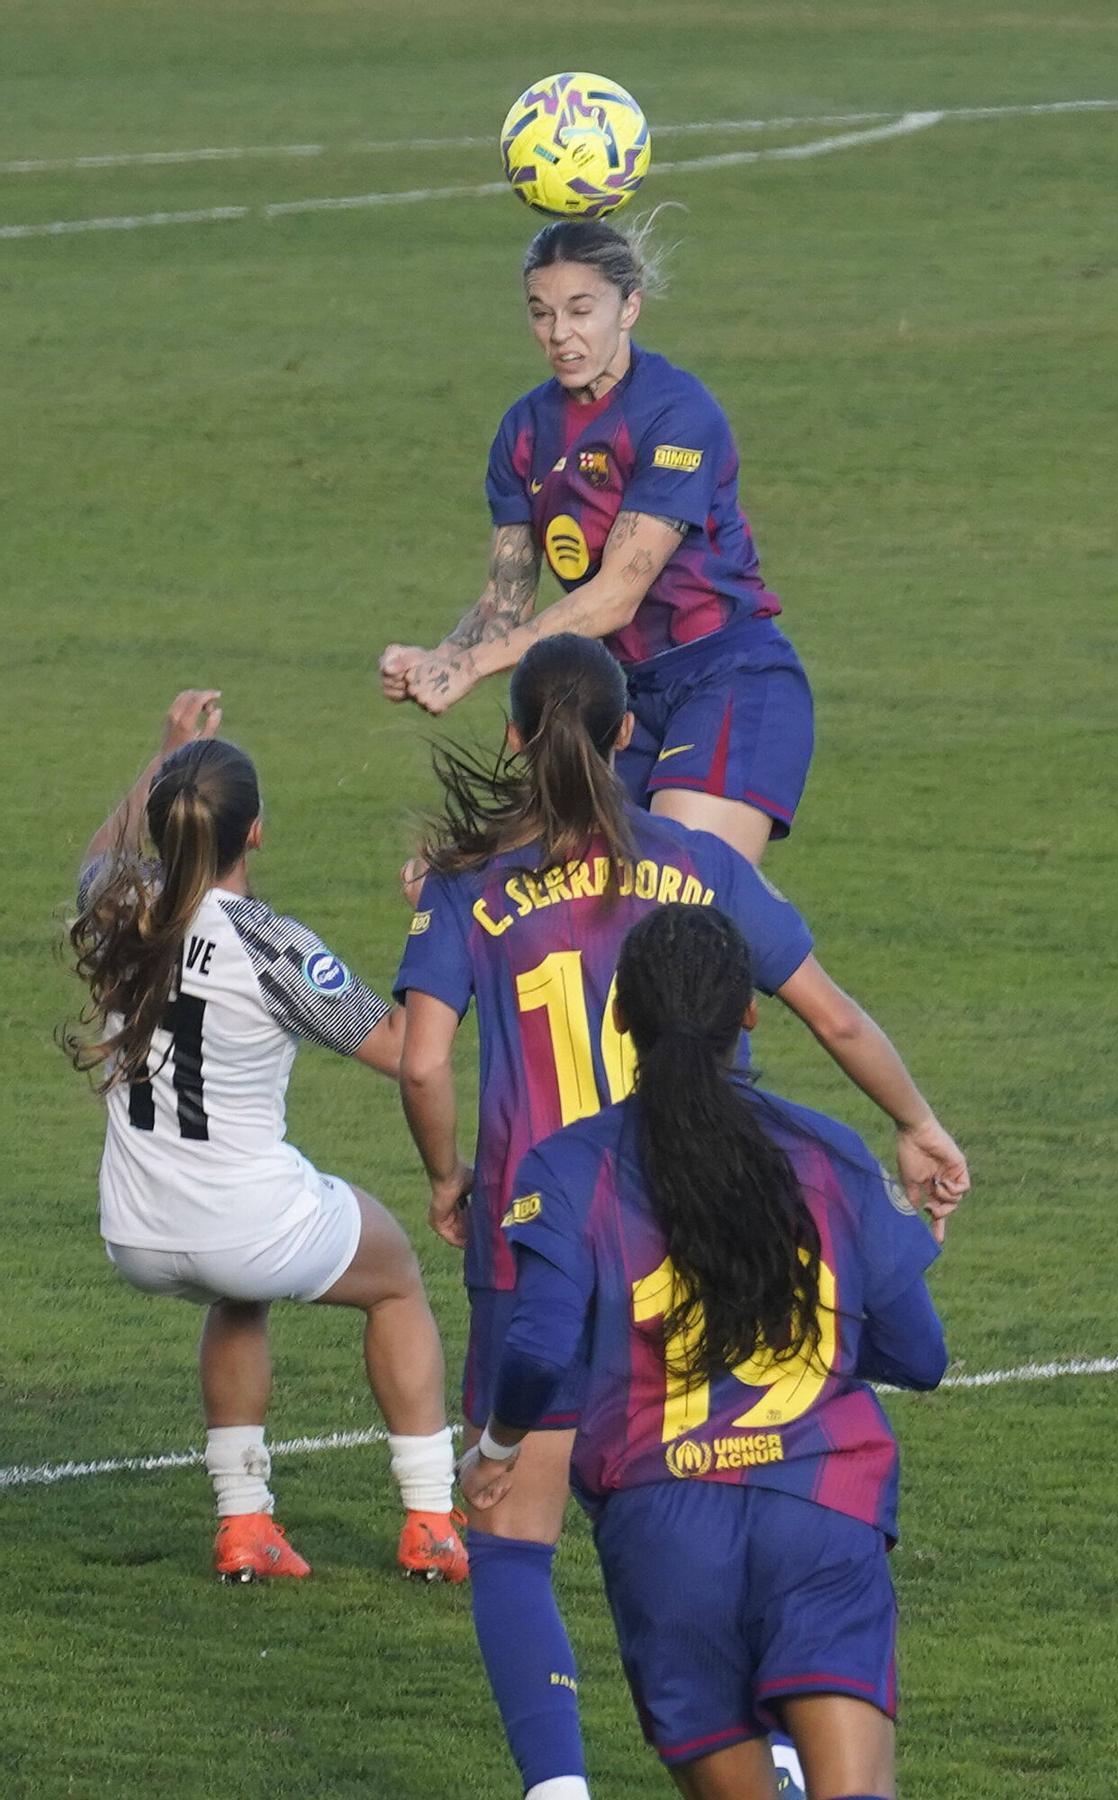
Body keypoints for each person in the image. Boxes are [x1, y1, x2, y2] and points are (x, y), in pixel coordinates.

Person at [395, 636, 968, 1797]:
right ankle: (792, 1746)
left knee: (514, 1531)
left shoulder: (471, 890)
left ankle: (559, 1786)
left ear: (515, 739)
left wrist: (449, 1174)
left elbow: (420, 1064)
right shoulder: (698, 863)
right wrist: (914, 1119)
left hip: (547, 1232)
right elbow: (835, 1018)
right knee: (746, 1458)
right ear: (625, 739)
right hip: (705, 1219)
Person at [460, 905, 949, 1800]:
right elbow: (921, 1354)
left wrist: (497, 1449)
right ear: (749, 1015)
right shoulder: (826, 1151)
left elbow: (534, 1351)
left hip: (664, 1524)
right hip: (821, 1505)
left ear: (622, 1019)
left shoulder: (570, 1168)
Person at [64, 691, 466, 1585]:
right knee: (396, 1279)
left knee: (238, 1295)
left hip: (136, 1232)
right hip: (244, 1222)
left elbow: (97, 860)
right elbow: (406, 1050)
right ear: (255, 835)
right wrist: (430, 919)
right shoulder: (272, 944)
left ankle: (245, 1526)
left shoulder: (119, 905)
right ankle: (432, 1521)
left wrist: (164, 753)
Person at [380, 214, 814, 864]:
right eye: (541, 313)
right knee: (589, 917)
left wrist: (466, 669)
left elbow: (615, 597)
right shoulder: (523, 432)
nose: (560, 334)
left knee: (680, 897)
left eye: (581, 310)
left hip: (728, 678)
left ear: (629, 305)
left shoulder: (677, 413)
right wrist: (435, 656)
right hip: (622, 700)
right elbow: (505, 602)